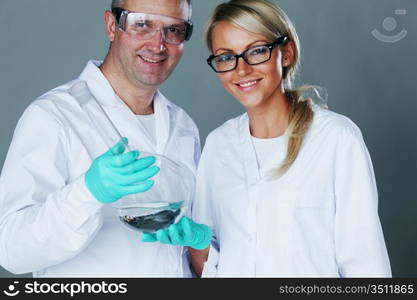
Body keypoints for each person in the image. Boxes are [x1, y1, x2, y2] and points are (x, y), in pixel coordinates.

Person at [0, 0, 206, 277]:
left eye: (173, 30)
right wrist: (87, 192)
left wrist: (203, 243)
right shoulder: (54, 116)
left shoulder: (183, 126)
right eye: (142, 24)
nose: (158, 44)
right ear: (112, 26)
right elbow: (11, 249)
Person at [187, 0, 391, 277]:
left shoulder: (336, 139)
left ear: (286, 53)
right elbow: (208, 270)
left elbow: (366, 266)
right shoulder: (218, 145)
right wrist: (198, 246)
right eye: (225, 57)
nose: (241, 69)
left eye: (257, 51)